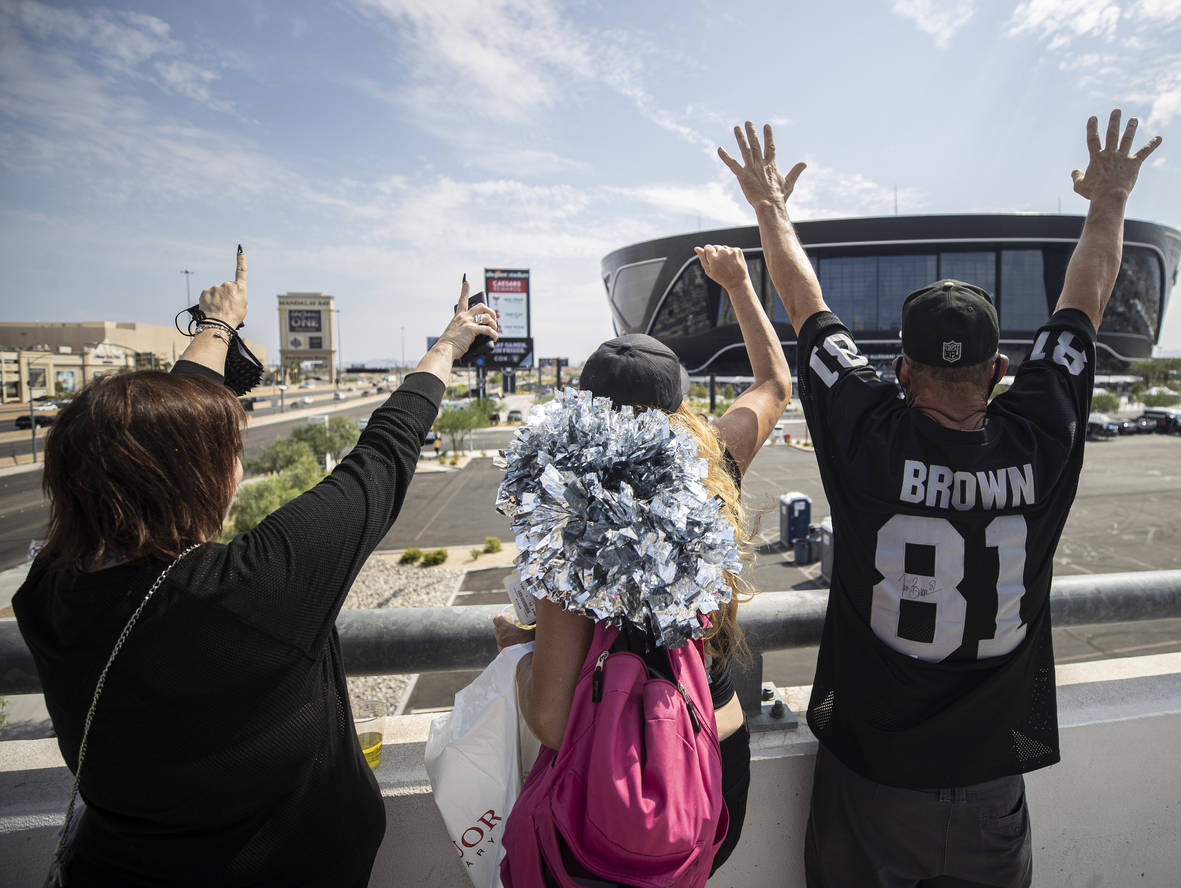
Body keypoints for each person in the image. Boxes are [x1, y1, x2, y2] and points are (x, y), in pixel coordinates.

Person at [716, 111, 1161, 887]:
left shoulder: (868, 431)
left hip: (872, 776)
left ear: (900, 371)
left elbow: (803, 302)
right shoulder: (1041, 430)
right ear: (999, 372)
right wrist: (1110, 198)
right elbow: (1084, 298)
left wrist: (769, 206)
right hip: (989, 783)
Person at [13, 246, 499, 887]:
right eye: (226, 454)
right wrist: (447, 347)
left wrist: (217, 328)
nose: (236, 468)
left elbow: (132, 444)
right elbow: (383, 455)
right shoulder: (253, 590)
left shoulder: (48, 590)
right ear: (191, 479)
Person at [493, 244, 791, 883]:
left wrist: (516, 657)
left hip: (614, 788)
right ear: (679, 406)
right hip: (711, 761)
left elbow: (550, 719)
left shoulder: (570, 517)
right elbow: (774, 385)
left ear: (582, 413)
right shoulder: (714, 470)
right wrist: (739, 284)